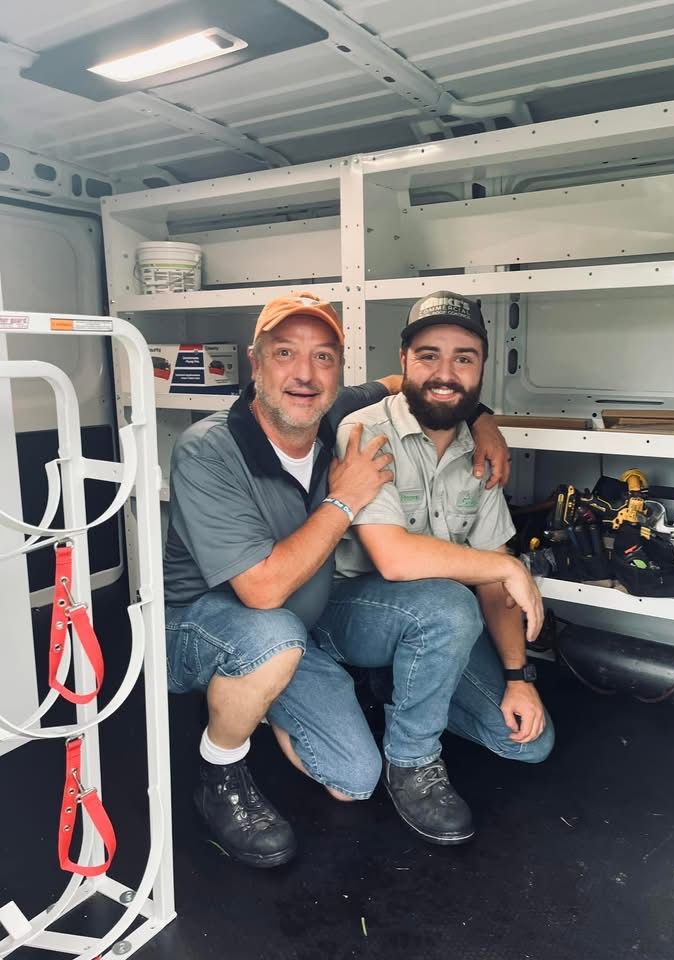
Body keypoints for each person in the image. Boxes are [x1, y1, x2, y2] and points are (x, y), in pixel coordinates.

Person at [162, 290, 513, 868]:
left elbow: (416, 383)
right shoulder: (208, 451)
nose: (305, 373)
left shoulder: (334, 409)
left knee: (353, 780)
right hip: (207, 628)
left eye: (323, 356)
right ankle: (218, 770)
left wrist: (484, 421)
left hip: (304, 629)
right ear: (256, 365)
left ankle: (269, 696)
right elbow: (262, 591)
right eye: (284, 353)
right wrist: (343, 500)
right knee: (270, 635)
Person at [315, 290, 554, 847]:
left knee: (526, 742)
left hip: (440, 625)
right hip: (349, 611)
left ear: (481, 370)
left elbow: (494, 582)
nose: (445, 373)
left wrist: (519, 679)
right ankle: (412, 761)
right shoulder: (364, 431)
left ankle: (405, 690)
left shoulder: (480, 449)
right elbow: (394, 559)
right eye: (428, 355)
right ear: (403, 362)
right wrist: (508, 570)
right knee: (449, 603)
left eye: (463, 358)